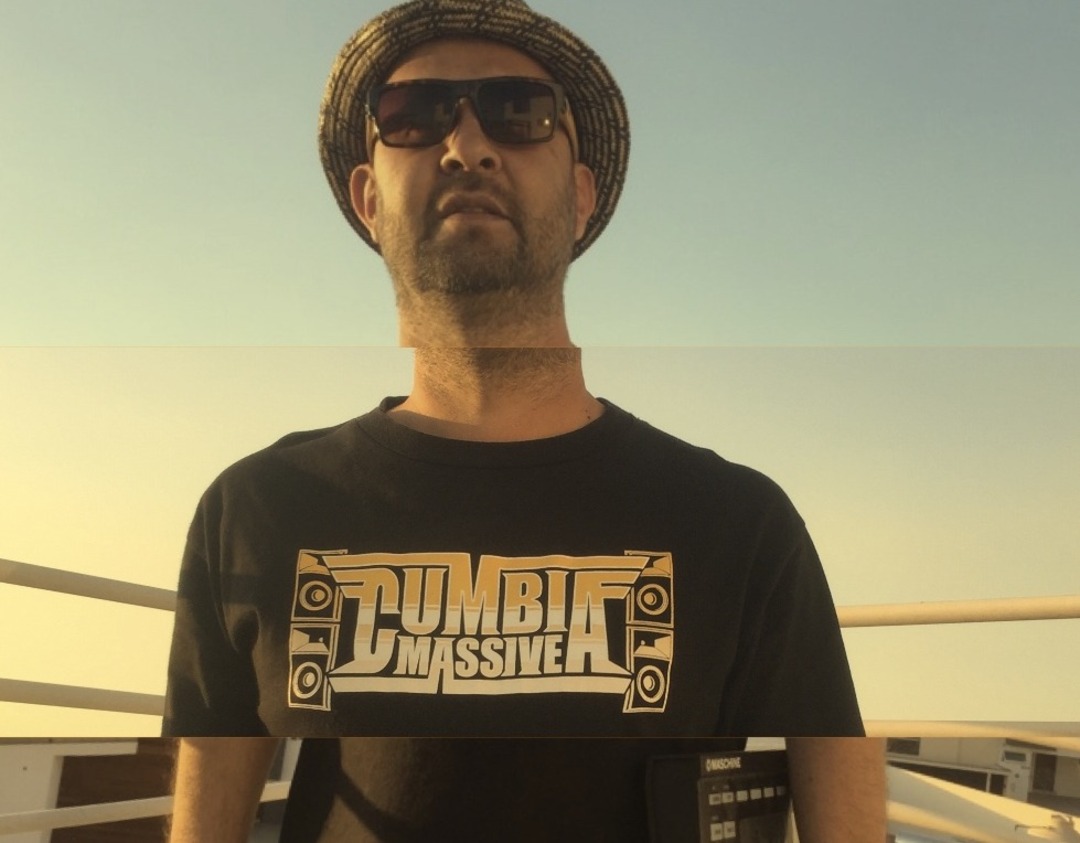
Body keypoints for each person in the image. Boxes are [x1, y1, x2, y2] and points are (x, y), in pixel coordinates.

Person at [164, 1, 886, 841]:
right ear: (368, 199)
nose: (467, 146)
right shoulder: (254, 509)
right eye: (413, 115)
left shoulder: (743, 525)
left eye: (519, 111)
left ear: (579, 196)